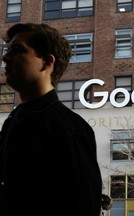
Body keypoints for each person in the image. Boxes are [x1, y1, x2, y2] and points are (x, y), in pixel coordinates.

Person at [0, 23, 102, 216]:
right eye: (8, 50)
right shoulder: (13, 120)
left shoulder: (70, 129)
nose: (6, 58)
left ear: (47, 62)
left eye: (17, 50)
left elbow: (83, 205)